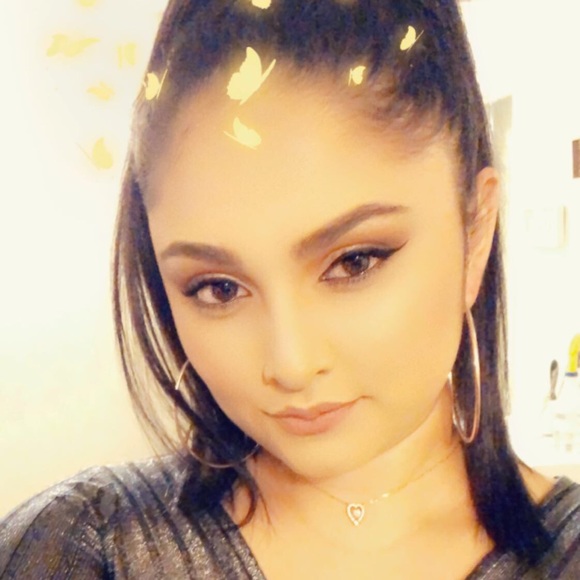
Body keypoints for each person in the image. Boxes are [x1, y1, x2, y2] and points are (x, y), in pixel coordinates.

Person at [2, 0, 580, 578]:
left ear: (474, 232)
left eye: (354, 261)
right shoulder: (78, 546)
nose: (291, 365)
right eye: (218, 289)